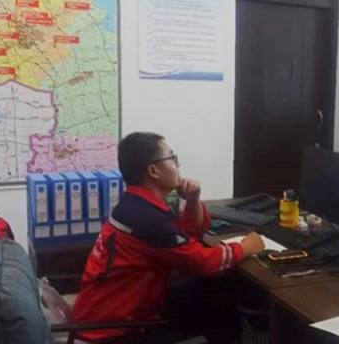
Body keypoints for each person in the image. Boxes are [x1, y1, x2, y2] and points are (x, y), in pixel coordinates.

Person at [71, 132, 265, 342]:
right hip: (115, 332)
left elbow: (187, 236)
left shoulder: (137, 205)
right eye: (172, 158)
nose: (177, 165)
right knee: (222, 308)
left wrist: (193, 200)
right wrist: (246, 247)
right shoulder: (146, 218)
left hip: (112, 315)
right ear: (154, 171)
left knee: (215, 295)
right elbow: (202, 263)